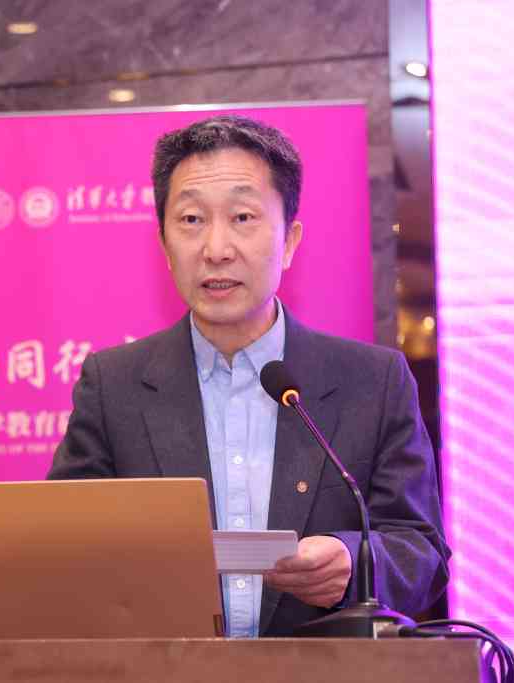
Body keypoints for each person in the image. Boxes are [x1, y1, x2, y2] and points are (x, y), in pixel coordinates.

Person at [47, 115, 450, 638]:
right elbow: (66, 549)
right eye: (191, 219)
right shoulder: (112, 386)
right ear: (164, 244)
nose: (216, 248)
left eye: (242, 217)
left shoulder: (373, 381)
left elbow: (422, 553)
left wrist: (353, 563)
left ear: (289, 241)